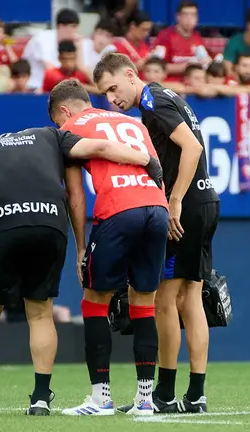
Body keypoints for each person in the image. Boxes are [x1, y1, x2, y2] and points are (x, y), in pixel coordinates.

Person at [0, 122, 163, 417]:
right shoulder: (50, 135)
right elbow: (100, 146)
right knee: (41, 312)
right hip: (49, 223)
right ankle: (40, 399)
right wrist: (146, 159)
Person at [94, 52, 220, 414]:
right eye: (104, 94)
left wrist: (175, 199)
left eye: (114, 88)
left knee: (164, 300)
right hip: (207, 200)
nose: (111, 99)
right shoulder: (169, 96)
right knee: (192, 299)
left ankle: (163, 393)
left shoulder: (152, 101)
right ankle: (195, 393)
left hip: (187, 205)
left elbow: (192, 147)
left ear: (132, 75)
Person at [48, 79, 169, 416]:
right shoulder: (131, 122)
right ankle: (145, 400)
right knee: (144, 303)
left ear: (64, 111)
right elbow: (156, 170)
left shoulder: (70, 128)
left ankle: (101, 398)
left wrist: (81, 247)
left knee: (94, 300)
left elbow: (75, 195)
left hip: (117, 210)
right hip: (156, 208)